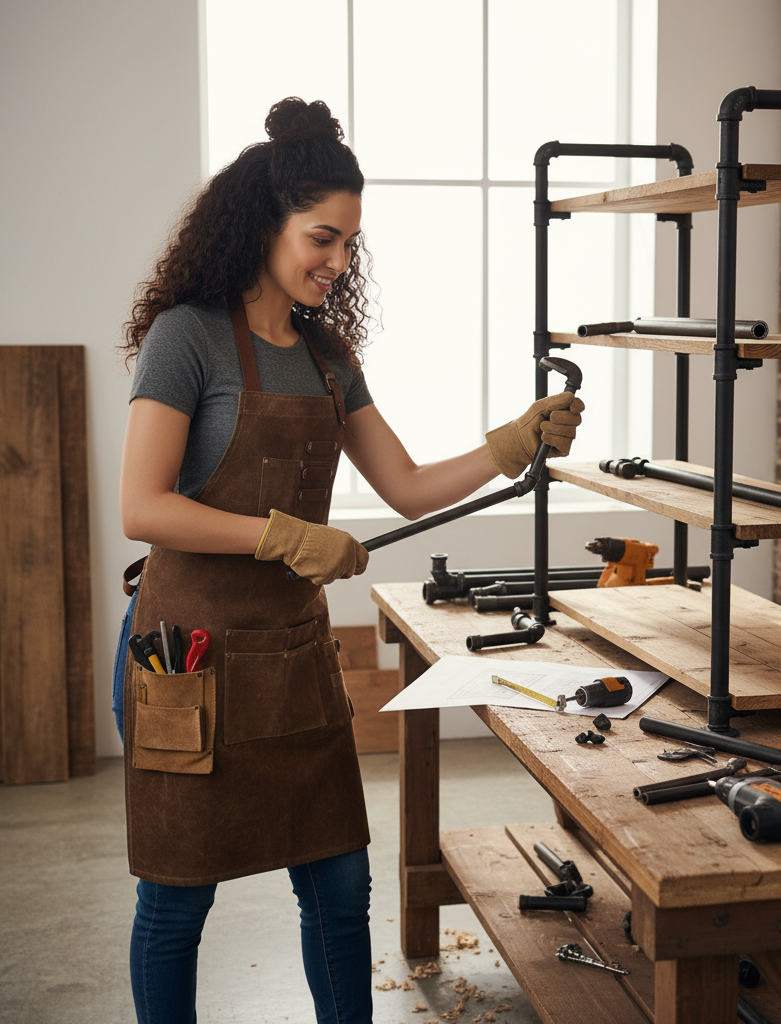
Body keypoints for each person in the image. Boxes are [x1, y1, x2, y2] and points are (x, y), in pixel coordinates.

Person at [113, 96, 584, 1024]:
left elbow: (406, 485)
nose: (336, 261)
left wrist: (511, 443)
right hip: (191, 664)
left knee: (338, 892)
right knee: (175, 902)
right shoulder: (187, 336)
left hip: (293, 661)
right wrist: (282, 535)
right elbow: (142, 507)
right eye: (321, 238)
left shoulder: (328, 357)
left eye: (349, 245)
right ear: (264, 223)